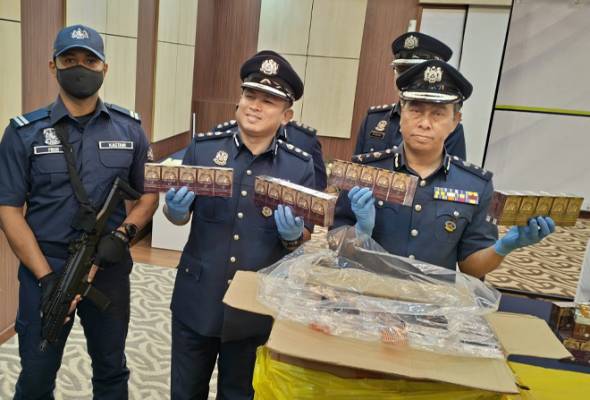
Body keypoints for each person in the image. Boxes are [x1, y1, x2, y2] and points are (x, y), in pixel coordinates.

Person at [0, 25, 158, 399]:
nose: (80, 68)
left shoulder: (130, 129)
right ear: (53, 66)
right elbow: (9, 210)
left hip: (109, 268)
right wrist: (45, 278)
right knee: (36, 375)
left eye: (90, 60)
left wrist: (123, 235)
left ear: (105, 68)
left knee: (111, 369)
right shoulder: (23, 133)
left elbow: (149, 194)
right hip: (45, 267)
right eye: (69, 60)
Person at [165, 50, 315, 399]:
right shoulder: (203, 150)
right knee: (185, 391)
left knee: (240, 394)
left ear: (287, 115)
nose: (255, 106)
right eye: (250, 95)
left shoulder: (298, 167)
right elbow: (180, 216)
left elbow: (303, 239)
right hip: (197, 298)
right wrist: (174, 211)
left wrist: (293, 237)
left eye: (268, 101)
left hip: (255, 308)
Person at [334, 60, 555, 278]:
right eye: (416, 110)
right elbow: (337, 246)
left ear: (455, 120)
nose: (424, 123)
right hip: (368, 292)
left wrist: (503, 247)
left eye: (437, 114)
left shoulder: (475, 185)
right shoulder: (365, 172)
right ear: (401, 113)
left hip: (433, 298)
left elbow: (471, 268)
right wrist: (360, 233)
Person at [354, 32, 466, 159]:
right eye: (402, 70)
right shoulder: (374, 120)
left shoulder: (449, 127)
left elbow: (451, 170)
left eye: (416, 72)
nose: (406, 78)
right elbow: (357, 168)